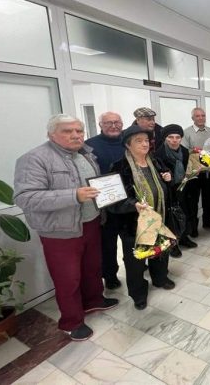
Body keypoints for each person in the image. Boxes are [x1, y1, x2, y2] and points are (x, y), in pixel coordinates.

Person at [14, 115, 118, 341]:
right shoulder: (34, 159)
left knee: (92, 268)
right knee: (68, 278)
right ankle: (71, 322)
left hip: (91, 222)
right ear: (51, 134)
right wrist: (73, 195)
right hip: (60, 231)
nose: (75, 135)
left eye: (79, 131)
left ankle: (93, 300)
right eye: (67, 131)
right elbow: (25, 198)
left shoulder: (86, 154)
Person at [109, 126, 176, 310]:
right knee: (136, 262)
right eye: (139, 141)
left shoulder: (155, 161)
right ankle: (138, 294)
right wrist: (133, 205)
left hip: (159, 217)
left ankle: (160, 278)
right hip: (134, 224)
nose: (145, 144)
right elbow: (114, 200)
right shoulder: (119, 167)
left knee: (160, 251)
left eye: (146, 140)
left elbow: (168, 187)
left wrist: (168, 178)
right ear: (127, 145)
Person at [85, 111, 125, 290]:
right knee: (108, 243)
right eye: (108, 123)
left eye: (117, 122)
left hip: (130, 201)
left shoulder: (129, 141)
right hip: (105, 204)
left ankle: (137, 264)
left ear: (122, 123)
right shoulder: (88, 146)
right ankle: (110, 275)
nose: (113, 126)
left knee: (132, 238)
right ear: (100, 125)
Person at [154, 124, 198, 256]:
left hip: (183, 188)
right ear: (165, 138)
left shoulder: (184, 151)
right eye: (170, 137)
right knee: (171, 217)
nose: (174, 140)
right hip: (168, 190)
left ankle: (183, 237)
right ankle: (172, 244)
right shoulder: (158, 154)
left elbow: (189, 168)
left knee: (184, 213)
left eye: (177, 137)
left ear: (181, 138)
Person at [182, 107, 210, 233]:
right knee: (193, 201)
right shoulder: (186, 132)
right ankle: (193, 227)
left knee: (209, 198)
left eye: (203, 115)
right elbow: (184, 151)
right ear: (193, 118)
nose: (201, 118)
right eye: (198, 116)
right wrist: (195, 150)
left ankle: (207, 221)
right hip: (194, 172)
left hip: (208, 171)